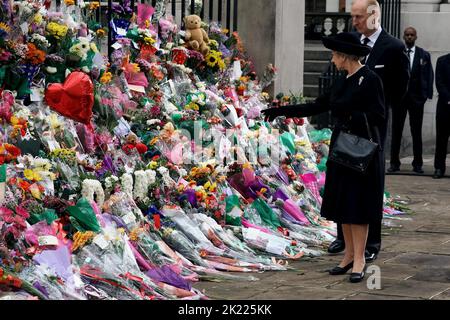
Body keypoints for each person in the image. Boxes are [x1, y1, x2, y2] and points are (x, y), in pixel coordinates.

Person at [262, 32, 385, 283]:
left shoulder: (370, 79)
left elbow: (378, 116)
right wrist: (280, 111)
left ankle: (360, 259)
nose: (332, 59)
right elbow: (317, 106)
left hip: (361, 153)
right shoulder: (341, 81)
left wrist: (352, 116)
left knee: (358, 206)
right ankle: (349, 255)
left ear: (344, 56)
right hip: (341, 149)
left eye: (334, 54)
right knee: (344, 205)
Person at [327, 0, 410, 262]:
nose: (354, 21)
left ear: (373, 16)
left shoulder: (394, 47)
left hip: (372, 128)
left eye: (359, 16)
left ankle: (371, 242)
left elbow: (400, 88)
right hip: (346, 126)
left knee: (369, 184)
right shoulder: (350, 42)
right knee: (343, 178)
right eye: (352, 16)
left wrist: (377, 110)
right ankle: (344, 238)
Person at [389, 27, 434, 174]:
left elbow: (428, 75)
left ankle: (418, 164)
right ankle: (394, 163)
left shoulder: (423, 55)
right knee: (396, 131)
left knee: (416, 132)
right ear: (403, 36)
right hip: (399, 99)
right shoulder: (397, 54)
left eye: (411, 35)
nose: (409, 37)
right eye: (407, 35)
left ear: (416, 37)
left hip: (416, 99)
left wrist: (426, 95)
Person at [433, 53, 450, 179]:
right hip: (445, 106)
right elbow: (439, 82)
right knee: (441, 139)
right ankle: (439, 168)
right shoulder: (442, 60)